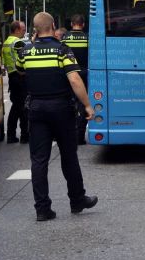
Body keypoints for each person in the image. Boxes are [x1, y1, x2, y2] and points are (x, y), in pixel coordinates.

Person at [16, 12, 97, 221]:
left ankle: (42, 209)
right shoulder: (62, 50)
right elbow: (75, 80)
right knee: (69, 156)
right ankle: (77, 200)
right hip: (61, 108)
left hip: (36, 109)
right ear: (53, 25)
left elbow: (20, 71)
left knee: (39, 160)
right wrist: (87, 105)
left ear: (35, 29)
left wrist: (33, 44)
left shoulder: (25, 52)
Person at [62, 15, 89, 145]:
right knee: (83, 103)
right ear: (82, 24)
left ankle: (66, 134)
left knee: (67, 103)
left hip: (68, 74)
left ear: (72, 24)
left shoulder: (65, 38)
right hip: (84, 74)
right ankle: (80, 136)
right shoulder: (88, 38)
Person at [1, 20, 28, 143]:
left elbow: (6, 62)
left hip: (13, 77)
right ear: (16, 30)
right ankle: (24, 135)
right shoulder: (18, 42)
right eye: (22, 30)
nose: (24, 32)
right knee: (22, 107)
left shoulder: (6, 42)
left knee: (16, 107)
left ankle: (12, 134)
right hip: (20, 76)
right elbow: (24, 60)